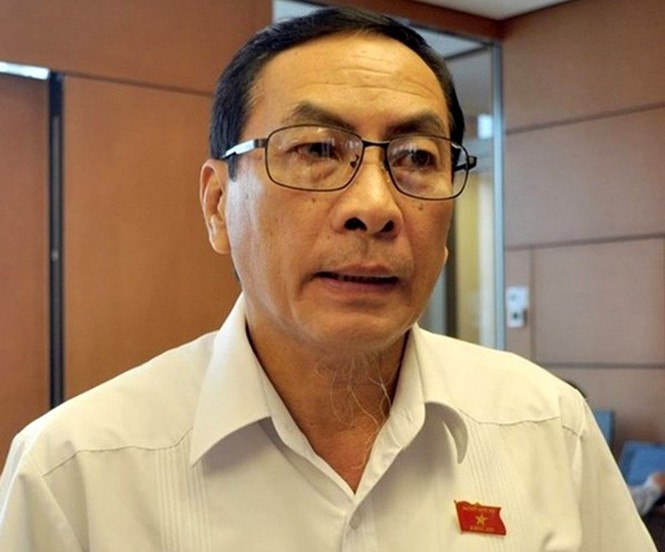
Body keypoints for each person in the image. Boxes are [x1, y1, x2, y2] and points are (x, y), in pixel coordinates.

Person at [0, 7, 656, 551]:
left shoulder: (548, 428)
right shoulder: (76, 474)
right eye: (315, 149)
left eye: (416, 157)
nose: (374, 206)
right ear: (218, 205)